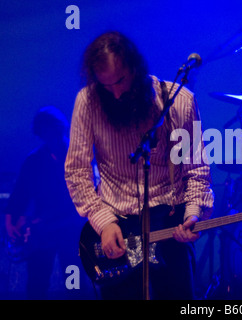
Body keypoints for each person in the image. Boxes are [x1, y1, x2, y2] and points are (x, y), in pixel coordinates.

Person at [65, 31, 214, 300]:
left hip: (169, 227)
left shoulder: (179, 102)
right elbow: (77, 172)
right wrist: (103, 222)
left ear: (136, 67)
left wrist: (192, 214)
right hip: (117, 227)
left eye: (121, 80)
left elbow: (196, 170)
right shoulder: (88, 102)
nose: (117, 93)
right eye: (106, 86)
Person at [4, 106, 87, 299]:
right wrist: (11, 222)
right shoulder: (34, 160)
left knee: (73, 282)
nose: (50, 137)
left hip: (71, 231)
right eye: (45, 133)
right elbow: (20, 194)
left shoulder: (78, 155)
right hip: (43, 232)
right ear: (40, 134)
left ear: (61, 129)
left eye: (53, 132)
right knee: (37, 283)